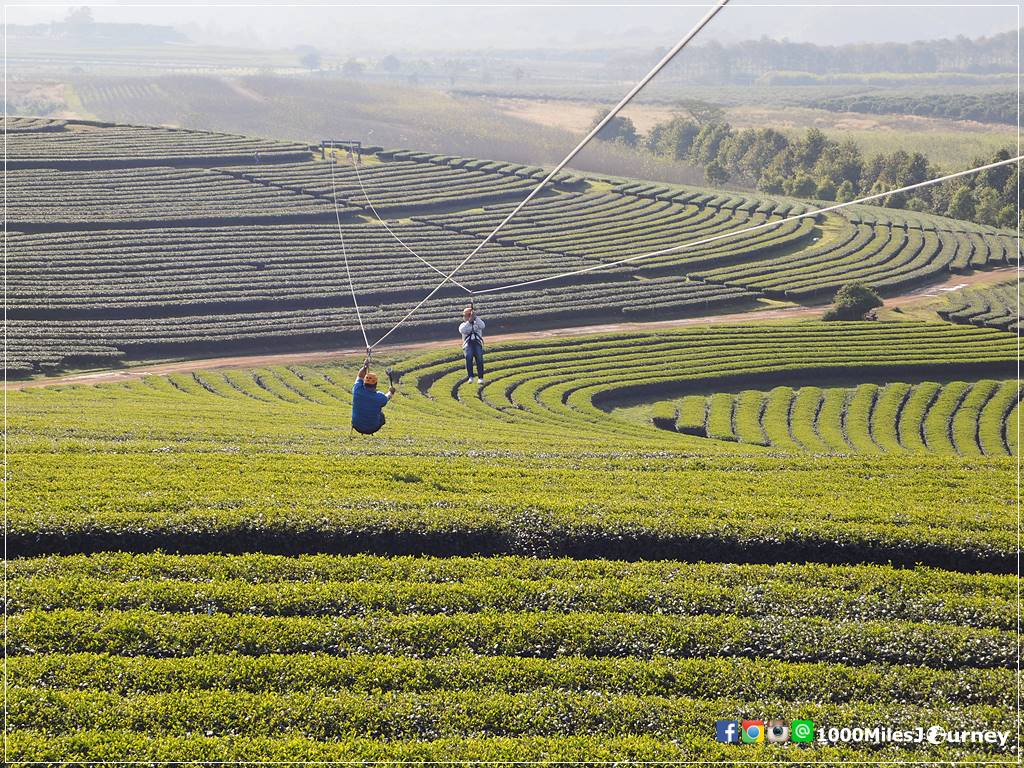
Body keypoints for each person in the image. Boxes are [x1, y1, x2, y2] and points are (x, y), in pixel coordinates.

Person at [351, 359, 395, 434]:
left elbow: (360, 376)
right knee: (381, 415)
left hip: (357, 426)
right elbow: (387, 397)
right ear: (376, 384)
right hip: (373, 428)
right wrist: (391, 392)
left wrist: (365, 367)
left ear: (364, 383)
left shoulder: (357, 390)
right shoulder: (380, 397)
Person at [459, 306, 485, 383]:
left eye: (465, 315)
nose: (464, 317)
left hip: (477, 343)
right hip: (468, 344)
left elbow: (483, 326)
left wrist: (475, 317)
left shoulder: (478, 322)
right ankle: (470, 376)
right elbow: (462, 330)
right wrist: (469, 322)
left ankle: (480, 378)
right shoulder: (463, 325)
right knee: (468, 358)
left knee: (479, 359)